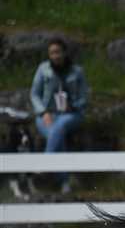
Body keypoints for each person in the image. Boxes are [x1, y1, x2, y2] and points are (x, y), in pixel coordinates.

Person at [30, 38, 89, 194]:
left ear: (64, 52)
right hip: (47, 115)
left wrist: (73, 106)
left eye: (58, 52)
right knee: (57, 134)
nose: (55, 56)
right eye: (52, 53)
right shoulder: (43, 69)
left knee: (60, 126)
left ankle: (45, 164)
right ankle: (64, 182)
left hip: (70, 115)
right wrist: (43, 112)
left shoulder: (77, 71)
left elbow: (84, 96)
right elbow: (34, 94)